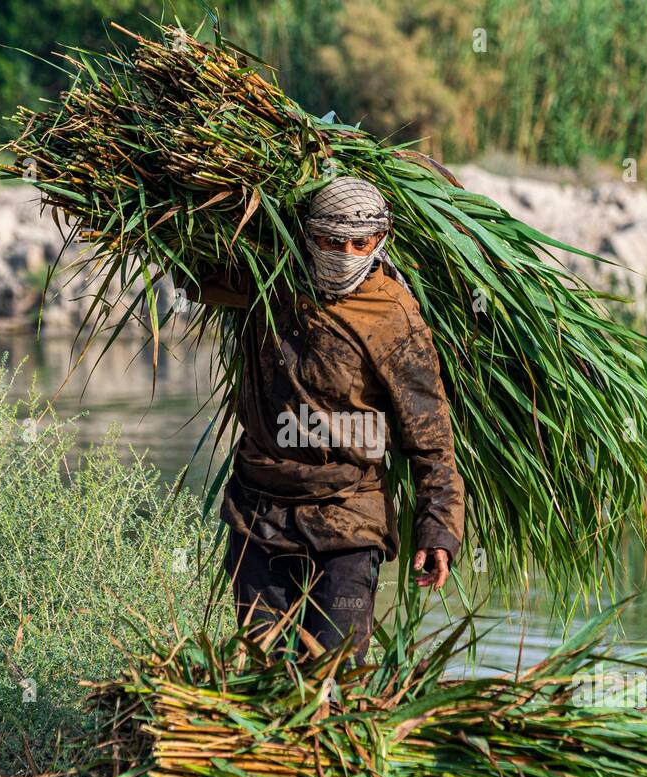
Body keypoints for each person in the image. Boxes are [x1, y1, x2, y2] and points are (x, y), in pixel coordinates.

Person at [189, 176, 464, 660]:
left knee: (333, 678)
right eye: (330, 241)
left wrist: (438, 528)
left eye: (361, 243)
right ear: (305, 235)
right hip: (260, 512)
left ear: (382, 239)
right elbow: (191, 268)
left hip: (350, 518)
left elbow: (430, 435)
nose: (345, 253)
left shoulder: (393, 314)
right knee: (264, 674)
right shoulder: (267, 279)